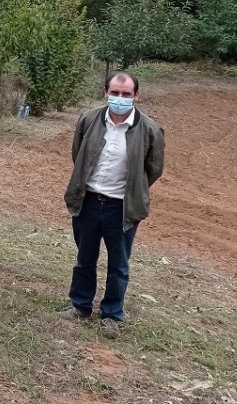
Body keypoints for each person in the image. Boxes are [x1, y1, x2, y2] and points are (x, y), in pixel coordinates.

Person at [60, 72, 164, 339]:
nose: (120, 99)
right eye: (115, 93)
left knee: (119, 264)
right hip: (89, 201)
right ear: (105, 92)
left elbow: (153, 169)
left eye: (126, 94)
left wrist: (132, 190)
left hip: (122, 207)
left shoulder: (150, 130)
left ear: (136, 96)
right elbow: (78, 155)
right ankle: (80, 305)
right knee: (85, 257)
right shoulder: (89, 120)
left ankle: (113, 314)